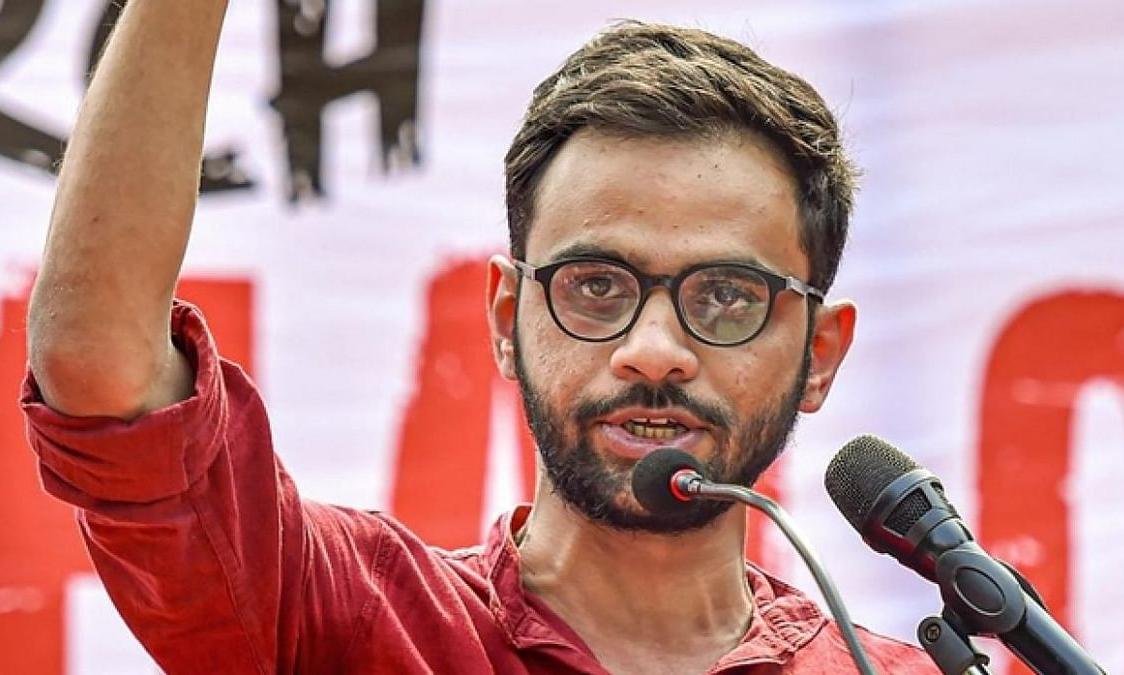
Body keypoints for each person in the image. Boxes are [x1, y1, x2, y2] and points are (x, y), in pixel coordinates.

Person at [21, 1, 937, 673]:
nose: (656, 348)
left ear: (819, 354)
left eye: (727, 296)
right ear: (507, 318)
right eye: (596, 286)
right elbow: (101, 369)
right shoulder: (358, 618)